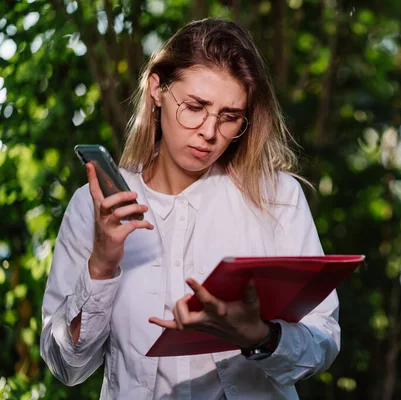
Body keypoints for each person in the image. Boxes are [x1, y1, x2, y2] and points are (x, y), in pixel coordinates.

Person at [40, 18, 340, 399]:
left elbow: (323, 338)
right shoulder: (95, 205)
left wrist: (262, 337)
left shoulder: (277, 197)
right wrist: (101, 266)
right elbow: (66, 366)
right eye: (195, 106)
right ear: (157, 90)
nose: (210, 132)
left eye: (230, 117)